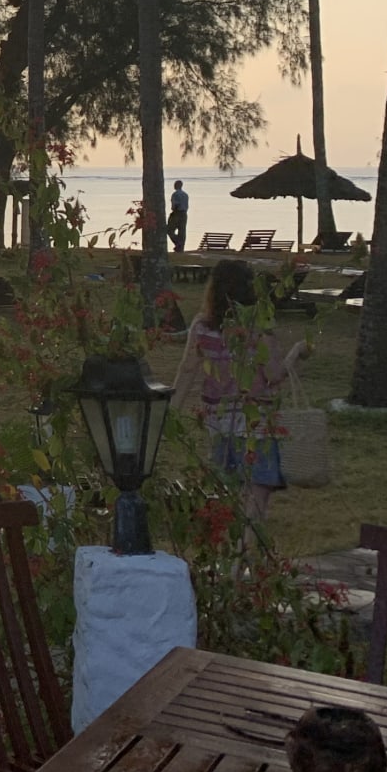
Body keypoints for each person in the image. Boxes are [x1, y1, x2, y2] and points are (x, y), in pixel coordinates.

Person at [172, 259, 308, 521]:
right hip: (256, 421)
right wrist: (297, 353)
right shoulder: (258, 327)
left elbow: (187, 370)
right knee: (256, 493)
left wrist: (172, 411)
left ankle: (234, 543)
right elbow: (273, 375)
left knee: (229, 491)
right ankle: (247, 544)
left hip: (217, 421)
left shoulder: (202, 326)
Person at [168, 180, 189, 253]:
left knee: (169, 230)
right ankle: (181, 247)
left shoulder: (175, 194)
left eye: (175, 184)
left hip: (177, 213)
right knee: (182, 231)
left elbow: (175, 205)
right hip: (184, 214)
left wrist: (173, 212)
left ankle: (178, 242)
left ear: (177, 185)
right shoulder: (185, 194)